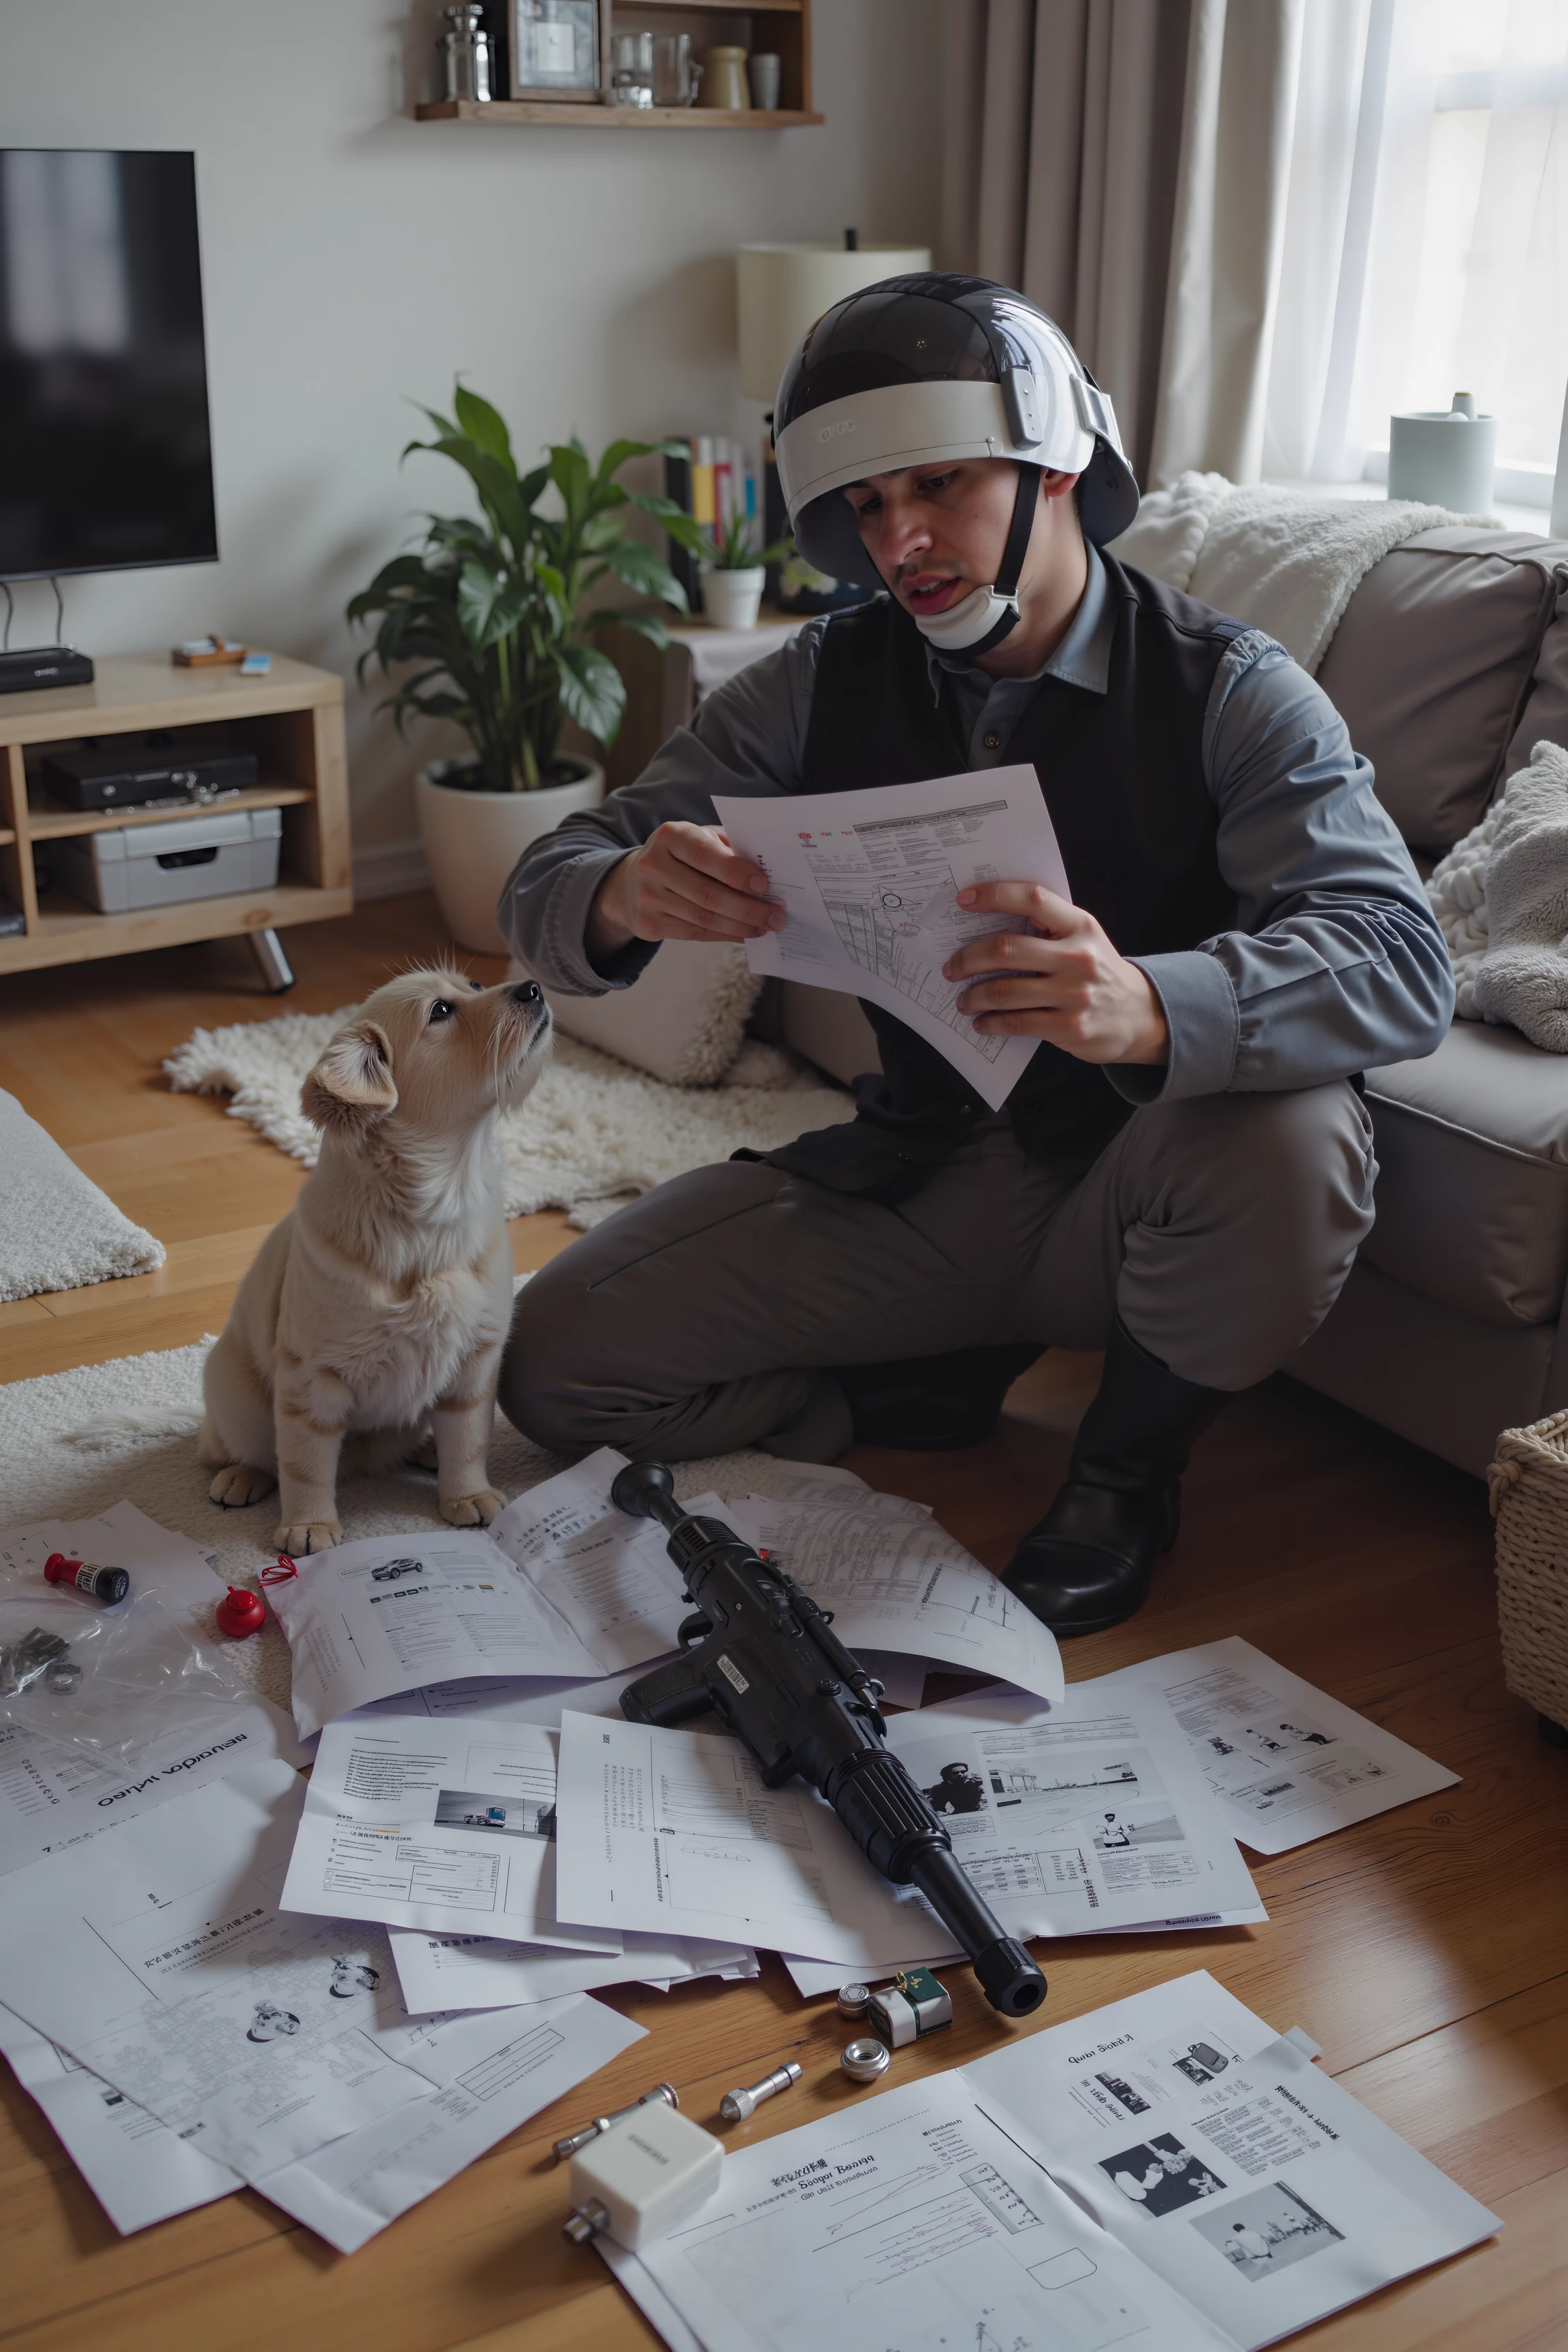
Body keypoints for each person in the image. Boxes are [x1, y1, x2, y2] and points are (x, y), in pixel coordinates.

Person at [497, 274, 1454, 1637]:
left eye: (939, 485)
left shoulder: (1234, 690)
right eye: (869, 509)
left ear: (1059, 462)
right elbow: (544, 884)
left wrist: (1150, 1004)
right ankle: (925, 1380)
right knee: (557, 1367)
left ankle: (1126, 1469)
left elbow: (1400, 961)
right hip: (918, 1175)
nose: (903, 541)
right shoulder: (817, 679)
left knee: (1299, 1140)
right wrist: (622, 895)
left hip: (1138, 1180)